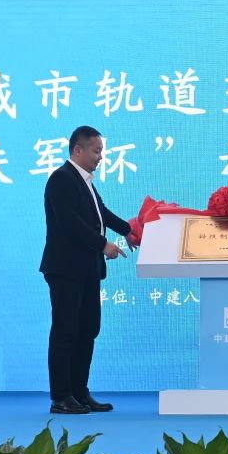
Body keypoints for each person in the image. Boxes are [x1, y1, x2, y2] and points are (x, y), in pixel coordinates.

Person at [40, 125, 135, 414]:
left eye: (101, 151)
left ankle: (80, 392)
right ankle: (61, 397)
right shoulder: (61, 179)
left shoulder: (85, 182)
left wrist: (129, 230)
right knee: (66, 331)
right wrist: (103, 244)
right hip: (66, 268)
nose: (101, 157)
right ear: (77, 150)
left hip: (87, 269)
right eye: (96, 151)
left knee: (87, 330)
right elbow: (70, 223)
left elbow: (101, 214)